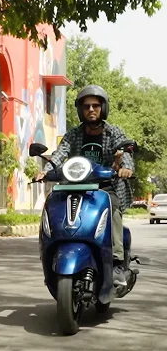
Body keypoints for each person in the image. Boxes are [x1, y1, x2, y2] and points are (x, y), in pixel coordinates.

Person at [36, 85, 134, 286]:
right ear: (80, 110)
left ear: (103, 108)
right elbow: (60, 154)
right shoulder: (73, 134)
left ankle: (116, 263)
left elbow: (125, 152)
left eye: (95, 106)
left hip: (106, 188)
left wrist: (125, 168)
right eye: (86, 106)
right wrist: (46, 170)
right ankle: (51, 251)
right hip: (74, 187)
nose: (91, 109)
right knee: (54, 204)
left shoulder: (113, 132)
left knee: (113, 210)